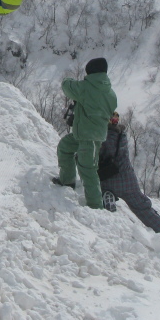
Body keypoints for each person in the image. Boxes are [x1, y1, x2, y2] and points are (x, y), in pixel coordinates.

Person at [53, 57, 117, 210]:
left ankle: (95, 205)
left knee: (88, 169)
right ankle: (67, 180)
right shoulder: (111, 93)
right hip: (84, 133)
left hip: (90, 137)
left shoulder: (86, 88)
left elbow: (67, 86)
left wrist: (69, 78)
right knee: (65, 147)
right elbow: (110, 108)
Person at [98, 112, 160, 233]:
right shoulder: (121, 135)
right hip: (128, 179)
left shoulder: (102, 136)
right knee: (143, 208)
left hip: (107, 178)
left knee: (94, 184)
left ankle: (107, 195)